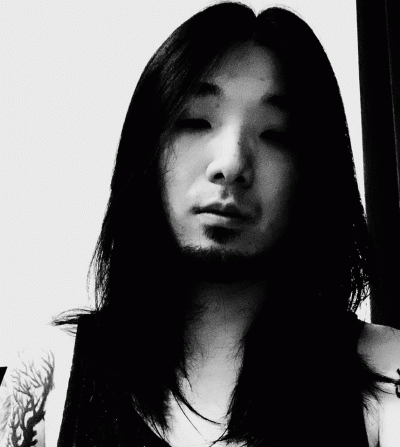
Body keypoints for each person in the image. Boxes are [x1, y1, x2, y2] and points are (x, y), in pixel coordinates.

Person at [1, 2, 400, 446]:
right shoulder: (50, 374)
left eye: (276, 134)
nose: (230, 164)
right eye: (195, 121)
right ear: (146, 152)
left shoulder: (387, 372)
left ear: (316, 173)